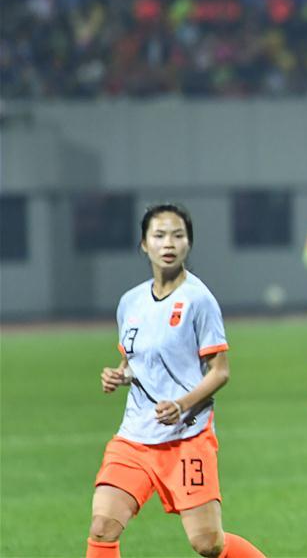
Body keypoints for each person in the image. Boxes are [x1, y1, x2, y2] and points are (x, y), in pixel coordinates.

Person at [87, 205, 264, 558]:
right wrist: (118, 375)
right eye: (159, 235)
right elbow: (133, 362)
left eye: (178, 235)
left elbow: (220, 371)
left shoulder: (199, 300)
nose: (168, 243)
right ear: (144, 244)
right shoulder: (130, 302)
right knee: (102, 528)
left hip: (187, 437)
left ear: (188, 244)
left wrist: (181, 405)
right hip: (134, 438)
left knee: (208, 544)